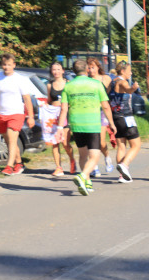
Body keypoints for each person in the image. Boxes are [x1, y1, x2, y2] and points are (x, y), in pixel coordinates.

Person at [57, 59, 116, 196]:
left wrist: (60, 128)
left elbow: (64, 109)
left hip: (76, 124)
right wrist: (111, 123)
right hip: (92, 124)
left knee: (83, 154)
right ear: (87, 69)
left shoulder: (68, 86)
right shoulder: (96, 84)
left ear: (74, 70)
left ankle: (87, 182)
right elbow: (106, 105)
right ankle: (83, 176)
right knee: (94, 156)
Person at [0, 53, 38, 175]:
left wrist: (31, 117)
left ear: (14, 65)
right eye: (4, 65)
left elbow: (27, 99)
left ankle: (9, 166)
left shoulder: (20, 79)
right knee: (7, 141)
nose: (6, 67)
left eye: (9, 65)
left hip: (16, 113)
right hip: (2, 114)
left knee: (12, 140)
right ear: (1, 65)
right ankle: (19, 163)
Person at [108, 61, 142, 183]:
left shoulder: (111, 83)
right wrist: (134, 87)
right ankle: (125, 164)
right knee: (136, 145)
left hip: (115, 117)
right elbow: (128, 90)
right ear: (122, 71)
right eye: (129, 70)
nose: (131, 73)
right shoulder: (122, 81)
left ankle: (122, 176)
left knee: (121, 146)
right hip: (126, 117)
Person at [42, 61, 77, 177]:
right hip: (53, 116)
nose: (56, 72)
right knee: (54, 143)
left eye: (58, 69)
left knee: (65, 143)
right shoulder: (49, 85)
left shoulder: (69, 84)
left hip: (65, 114)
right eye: (54, 70)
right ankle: (58, 167)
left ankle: (72, 160)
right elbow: (49, 100)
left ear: (62, 71)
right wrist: (45, 107)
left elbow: (73, 100)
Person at [87, 58, 115, 176]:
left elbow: (108, 95)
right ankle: (94, 166)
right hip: (90, 113)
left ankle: (107, 157)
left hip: (102, 112)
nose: (90, 70)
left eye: (92, 67)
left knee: (101, 142)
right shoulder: (86, 81)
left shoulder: (106, 79)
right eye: (88, 67)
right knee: (92, 141)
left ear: (98, 67)